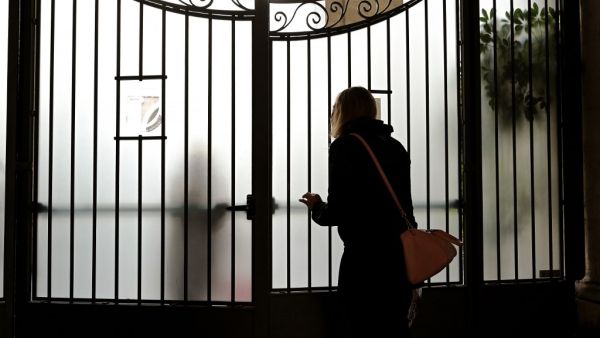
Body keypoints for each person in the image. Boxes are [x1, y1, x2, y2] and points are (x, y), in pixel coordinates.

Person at [299, 86, 418, 338]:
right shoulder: (396, 146)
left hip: (362, 262)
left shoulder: (344, 147)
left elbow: (339, 211)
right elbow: (405, 206)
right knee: (394, 328)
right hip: (397, 258)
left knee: (360, 327)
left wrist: (317, 206)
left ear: (342, 112)